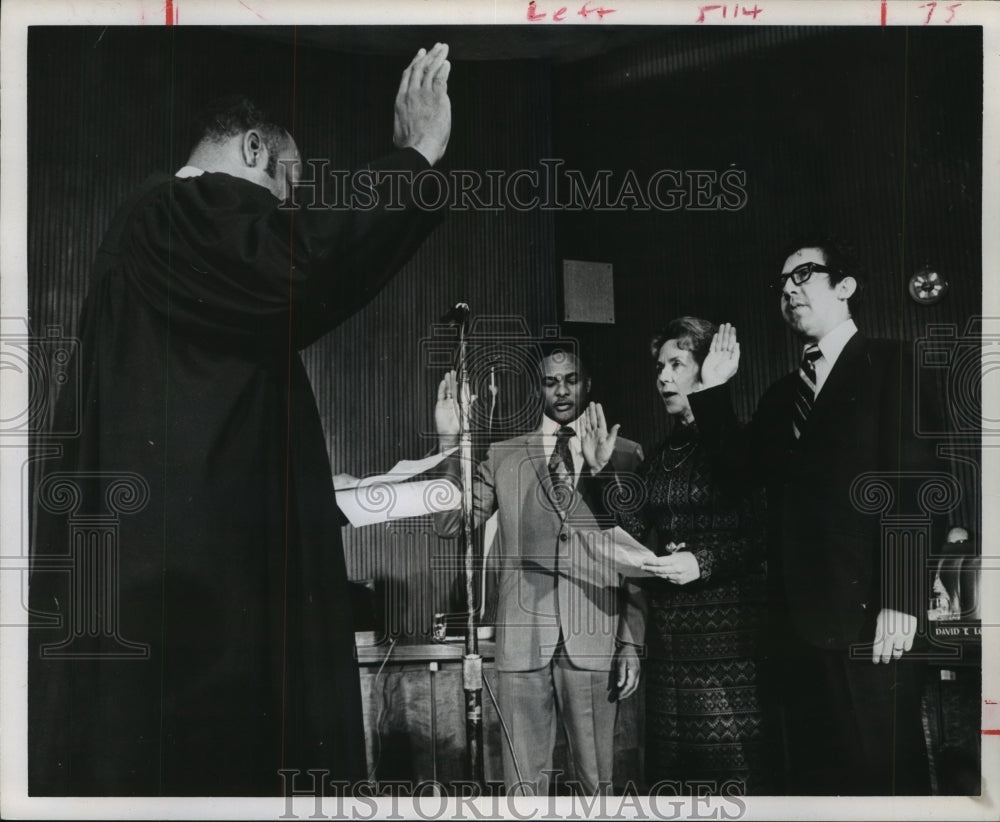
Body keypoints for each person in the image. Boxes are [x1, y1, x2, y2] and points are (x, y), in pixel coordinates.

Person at [28, 44, 452, 796]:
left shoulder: (156, 239)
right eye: (286, 183)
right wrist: (416, 156)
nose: (289, 207)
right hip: (197, 609)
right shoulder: (177, 209)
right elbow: (299, 262)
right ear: (253, 148)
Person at [690, 239, 947, 794]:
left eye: (803, 274)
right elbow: (735, 478)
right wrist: (710, 392)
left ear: (845, 286)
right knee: (814, 784)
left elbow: (918, 487)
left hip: (872, 624)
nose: (788, 289)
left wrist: (901, 598)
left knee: (883, 783)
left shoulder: (894, 362)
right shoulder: (783, 396)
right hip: (794, 633)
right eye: (782, 283)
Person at [433, 344, 645, 796]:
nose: (562, 390)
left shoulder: (625, 454)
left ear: (586, 384)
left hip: (593, 638)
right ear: (538, 389)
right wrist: (450, 445)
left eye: (571, 380)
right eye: (551, 382)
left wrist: (630, 641)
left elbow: (638, 559)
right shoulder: (503, 457)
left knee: (596, 787)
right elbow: (451, 522)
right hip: (522, 643)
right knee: (524, 789)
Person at [613, 317, 769, 794]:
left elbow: (764, 536)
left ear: (710, 369)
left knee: (733, 777)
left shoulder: (740, 445)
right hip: (670, 644)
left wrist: (704, 562)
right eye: (660, 366)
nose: (663, 377)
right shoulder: (660, 457)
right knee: (676, 781)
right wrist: (601, 474)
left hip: (731, 644)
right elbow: (629, 536)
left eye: (677, 364)